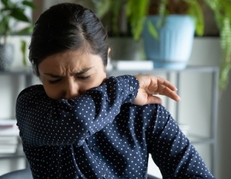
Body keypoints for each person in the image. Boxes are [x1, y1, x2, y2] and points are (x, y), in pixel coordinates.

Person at [16, 3, 215, 179]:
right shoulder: (32, 106)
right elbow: (78, 122)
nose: (71, 91)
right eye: (54, 80)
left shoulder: (143, 112)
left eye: (84, 76)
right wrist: (130, 85)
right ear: (38, 73)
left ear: (106, 59)